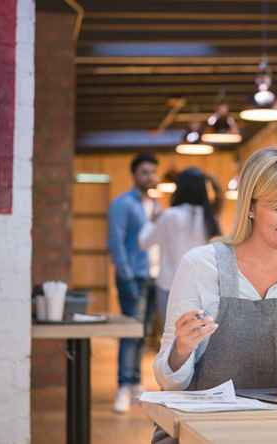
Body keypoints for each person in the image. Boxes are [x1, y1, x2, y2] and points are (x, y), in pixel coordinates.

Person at [151, 148, 277, 443]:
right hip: (204, 430)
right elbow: (169, 382)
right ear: (251, 207)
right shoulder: (202, 266)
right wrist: (181, 349)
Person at [108, 153, 159, 413]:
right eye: (145, 172)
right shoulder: (122, 203)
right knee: (130, 333)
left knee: (143, 331)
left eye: (153, 172)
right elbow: (116, 242)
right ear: (134, 175)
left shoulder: (156, 204)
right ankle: (123, 387)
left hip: (153, 276)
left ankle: (136, 382)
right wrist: (126, 275)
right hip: (133, 276)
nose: (150, 177)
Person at [138, 167, 223, 322]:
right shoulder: (209, 219)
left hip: (169, 286)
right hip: (202, 289)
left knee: (172, 340)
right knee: (200, 339)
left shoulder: (170, 215)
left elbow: (144, 243)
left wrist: (151, 221)